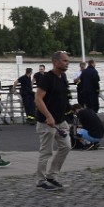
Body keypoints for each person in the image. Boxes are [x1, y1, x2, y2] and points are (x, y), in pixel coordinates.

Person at [34, 50, 72, 190]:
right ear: (55, 62)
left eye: (67, 61)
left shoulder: (63, 77)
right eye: (64, 60)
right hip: (46, 122)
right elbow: (38, 99)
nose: (67, 63)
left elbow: (62, 97)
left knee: (66, 146)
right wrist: (48, 116)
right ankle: (40, 180)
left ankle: (52, 175)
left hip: (61, 120)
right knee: (46, 151)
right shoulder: (47, 78)